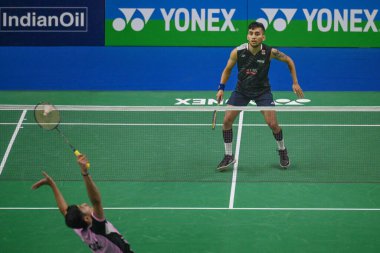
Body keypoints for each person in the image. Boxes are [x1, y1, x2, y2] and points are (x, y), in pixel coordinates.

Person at [216, 21, 304, 171]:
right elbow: (227, 69)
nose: (253, 37)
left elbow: (289, 60)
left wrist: (295, 82)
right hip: (242, 90)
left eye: (257, 34)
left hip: (262, 91)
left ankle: (282, 150)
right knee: (226, 121)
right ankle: (228, 155)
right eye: (251, 34)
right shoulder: (237, 52)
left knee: (273, 124)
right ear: (247, 36)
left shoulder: (270, 52)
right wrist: (221, 88)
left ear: (263, 37)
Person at [32, 155, 134, 253]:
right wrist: (84, 172)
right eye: (82, 207)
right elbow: (96, 201)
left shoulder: (80, 228)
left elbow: (64, 211)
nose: (85, 204)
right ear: (86, 218)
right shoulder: (98, 228)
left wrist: (52, 184)